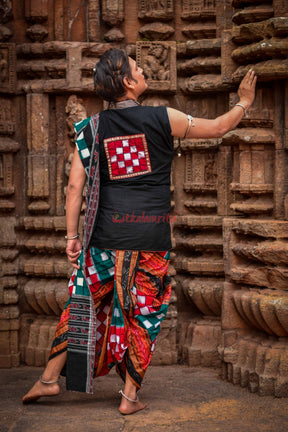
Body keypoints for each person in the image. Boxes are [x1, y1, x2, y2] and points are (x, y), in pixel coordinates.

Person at [22, 48, 257, 414]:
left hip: (104, 237)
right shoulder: (165, 118)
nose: (144, 70)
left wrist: (71, 237)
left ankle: (50, 379)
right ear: (128, 83)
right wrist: (244, 102)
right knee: (145, 314)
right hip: (151, 237)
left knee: (84, 302)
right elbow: (220, 127)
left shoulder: (91, 128)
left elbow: (74, 188)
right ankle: (129, 398)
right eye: (138, 68)